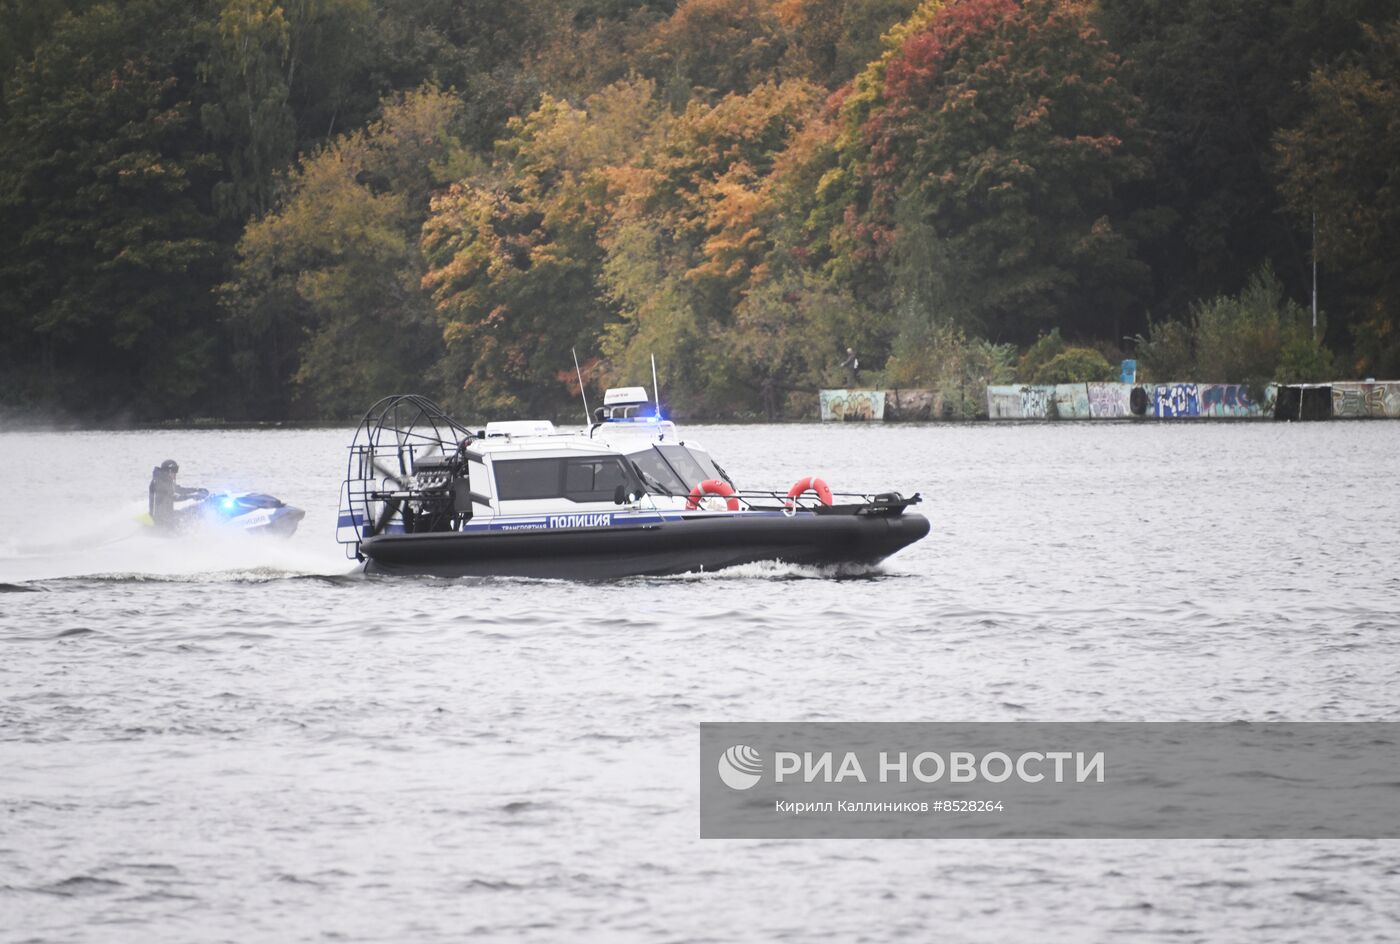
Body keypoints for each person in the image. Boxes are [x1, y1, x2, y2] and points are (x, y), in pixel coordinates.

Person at [148, 459, 207, 531]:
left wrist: (197, 490)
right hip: (162, 521)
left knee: (190, 511)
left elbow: (179, 490)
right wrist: (192, 497)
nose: (175, 474)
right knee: (191, 514)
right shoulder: (159, 483)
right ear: (168, 471)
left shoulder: (164, 480)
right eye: (174, 471)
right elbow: (173, 497)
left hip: (166, 515)